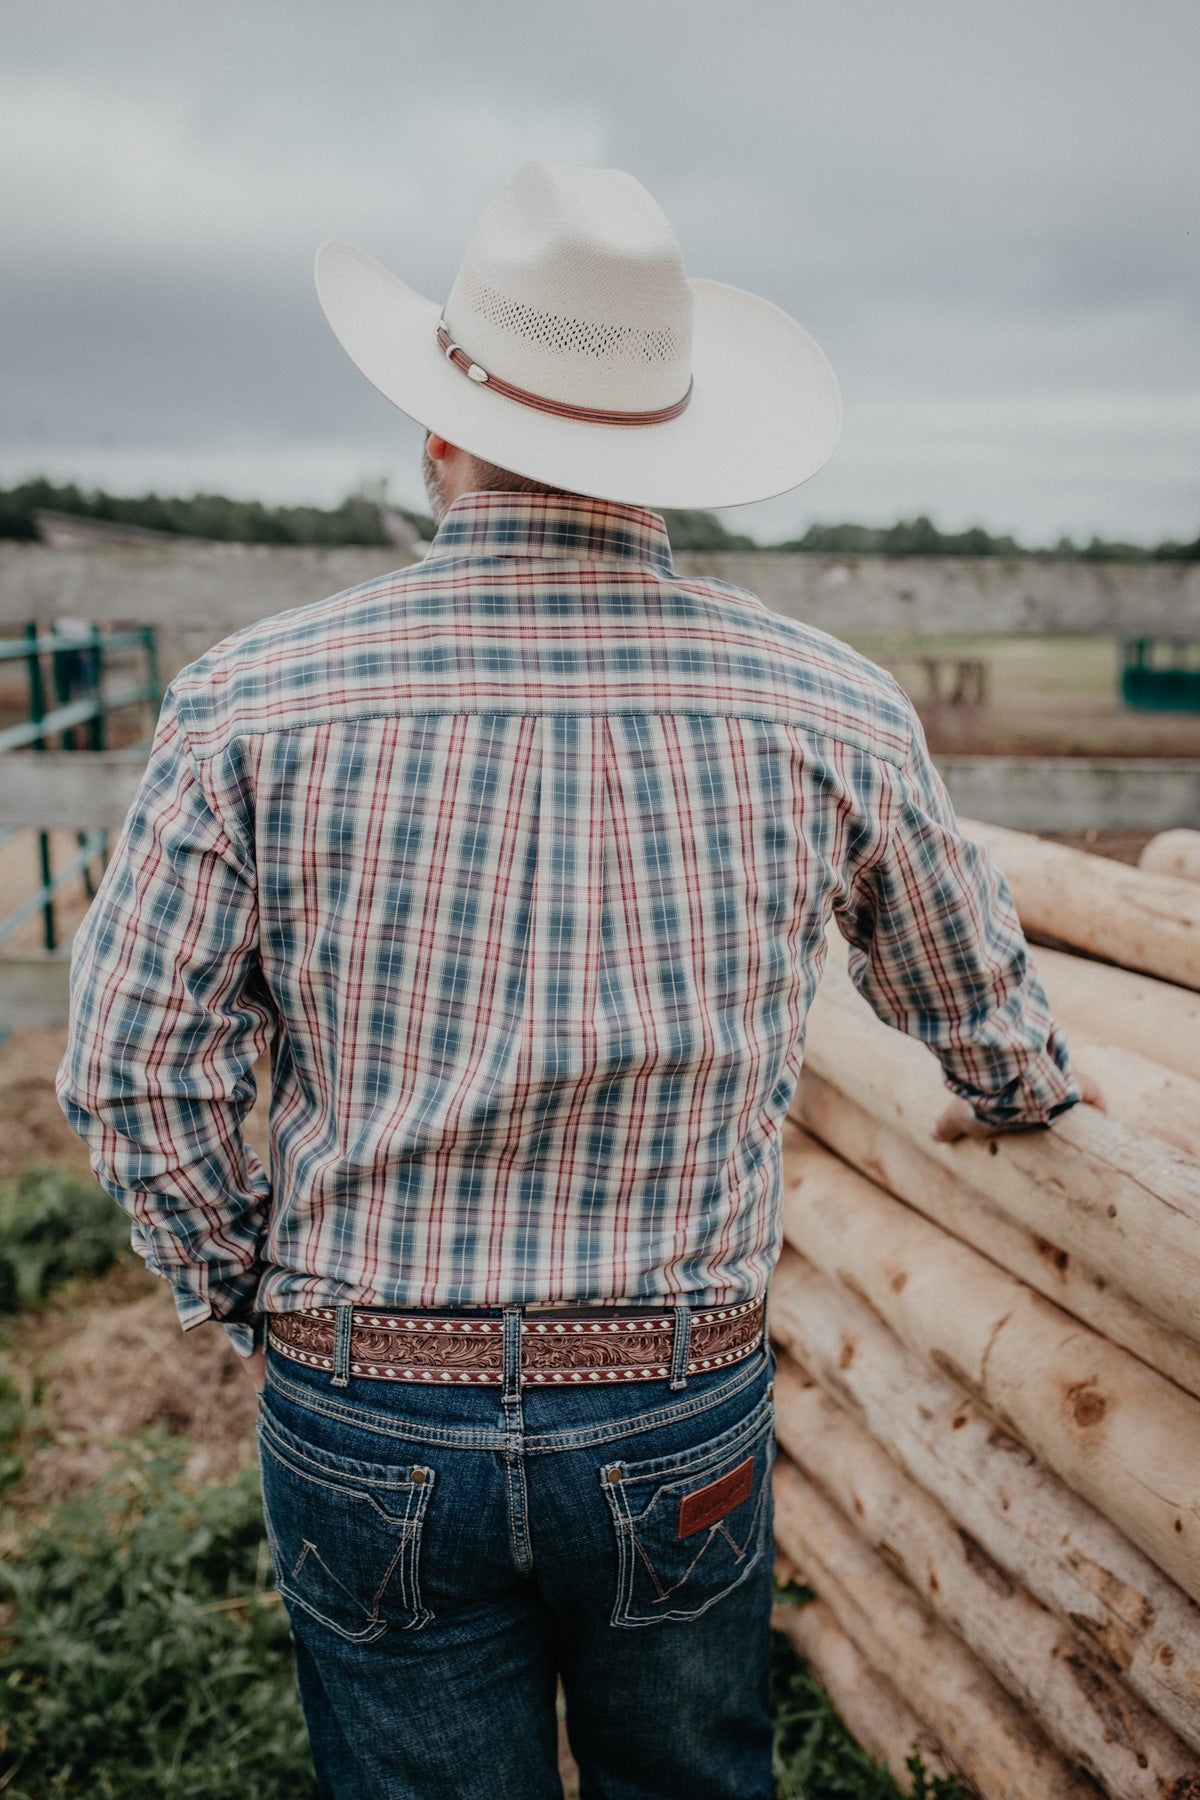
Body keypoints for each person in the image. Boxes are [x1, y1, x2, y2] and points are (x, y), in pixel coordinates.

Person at [56, 161, 1100, 1800]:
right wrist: (1021, 1096)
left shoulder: (252, 700)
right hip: (671, 1389)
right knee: (689, 1776)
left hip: (367, 1384)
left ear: (438, 429)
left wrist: (243, 1287)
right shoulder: (829, 705)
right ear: (672, 454)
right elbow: (979, 1012)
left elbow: (132, 1067)